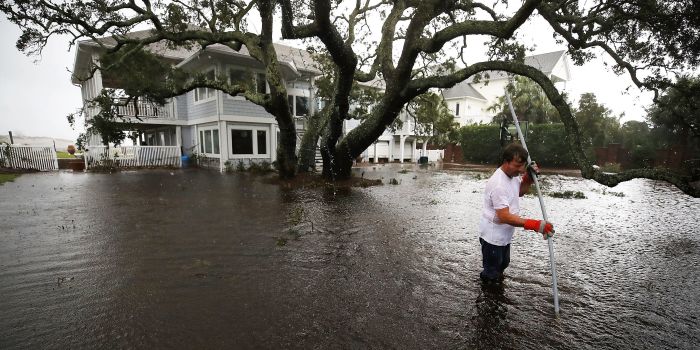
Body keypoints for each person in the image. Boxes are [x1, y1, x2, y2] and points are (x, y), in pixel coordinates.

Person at [479, 143, 555, 283]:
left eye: (523, 166)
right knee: (491, 272)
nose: (520, 170)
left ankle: (496, 290)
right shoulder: (498, 184)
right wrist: (535, 225)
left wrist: (528, 179)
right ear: (506, 162)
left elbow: (518, 192)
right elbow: (504, 216)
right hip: (493, 236)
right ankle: (487, 298)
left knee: (503, 264)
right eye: (517, 166)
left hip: (505, 234)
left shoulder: (513, 176)